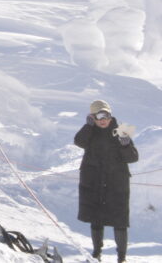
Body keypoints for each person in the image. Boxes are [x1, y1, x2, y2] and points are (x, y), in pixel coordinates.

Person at [74, 99, 138, 262]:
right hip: (94, 181)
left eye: (106, 115)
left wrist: (125, 145)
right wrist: (88, 126)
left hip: (116, 183)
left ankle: (121, 257)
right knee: (96, 218)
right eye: (99, 116)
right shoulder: (90, 131)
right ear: (92, 117)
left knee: (120, 221)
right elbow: (79, 142)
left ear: (110, 115)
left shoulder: (122, 130)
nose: (103, 119)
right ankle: (96, 253)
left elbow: (133, 158)